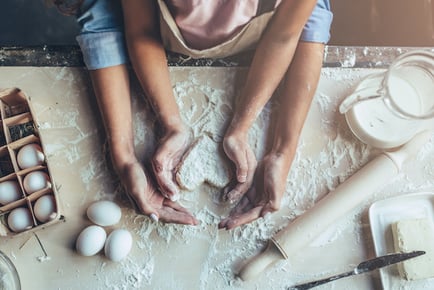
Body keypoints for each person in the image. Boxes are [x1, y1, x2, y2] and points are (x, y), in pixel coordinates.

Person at [52, 0, 333, 229]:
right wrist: (125, 154)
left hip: (265, 34)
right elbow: (137, 28)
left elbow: (286, 32)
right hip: (154, 28)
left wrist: (279, 148)